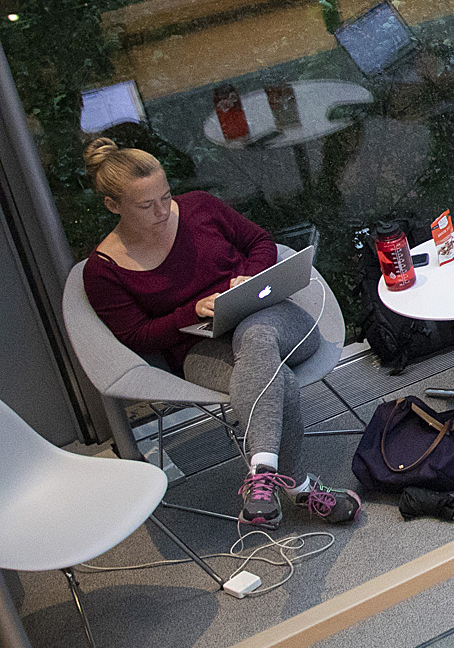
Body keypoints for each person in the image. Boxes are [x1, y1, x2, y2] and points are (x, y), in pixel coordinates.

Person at [78, 139, 360, 530]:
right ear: (113, 206)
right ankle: (296, 489)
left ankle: (263, 473)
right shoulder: (103, 270)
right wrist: (189, 312)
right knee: (276, 380)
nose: (162, 211)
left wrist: (250, 278)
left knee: (257, 332)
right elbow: (137, 337)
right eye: (147, 205)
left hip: (280, 322)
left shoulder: (198, 207)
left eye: (165, 196)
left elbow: (261, 242)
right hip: (199, 351)